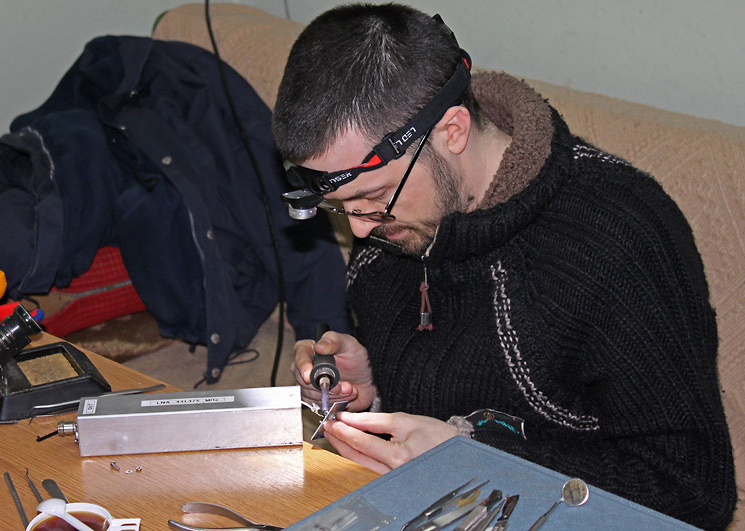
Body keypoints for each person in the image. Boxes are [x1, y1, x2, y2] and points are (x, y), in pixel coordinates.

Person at [271, 3, 736, 529]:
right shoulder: (394, 226)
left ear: (452, 130)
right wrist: (367, 390)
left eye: (374, 197)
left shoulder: (617, 240)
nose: (359, 230)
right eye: (341, 205)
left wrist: (473, 458)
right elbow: (437, 404)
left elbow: (694, 493)